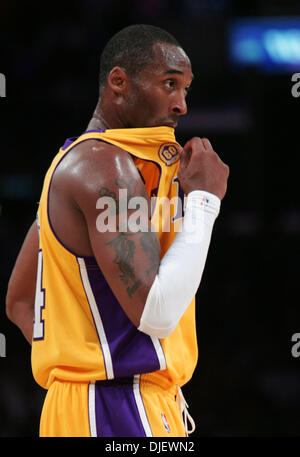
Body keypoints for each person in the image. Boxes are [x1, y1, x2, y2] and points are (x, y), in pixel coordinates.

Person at [6, 24, 229, 437]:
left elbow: (19, 300)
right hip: (116, 406)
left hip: (84, 405)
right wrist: (206, 202)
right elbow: (157, 314)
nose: (181, 105)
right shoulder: (106, 168)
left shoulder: (74, 163)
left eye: (186, 90)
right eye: (169, 84)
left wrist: (78, 355)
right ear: (119, 82)